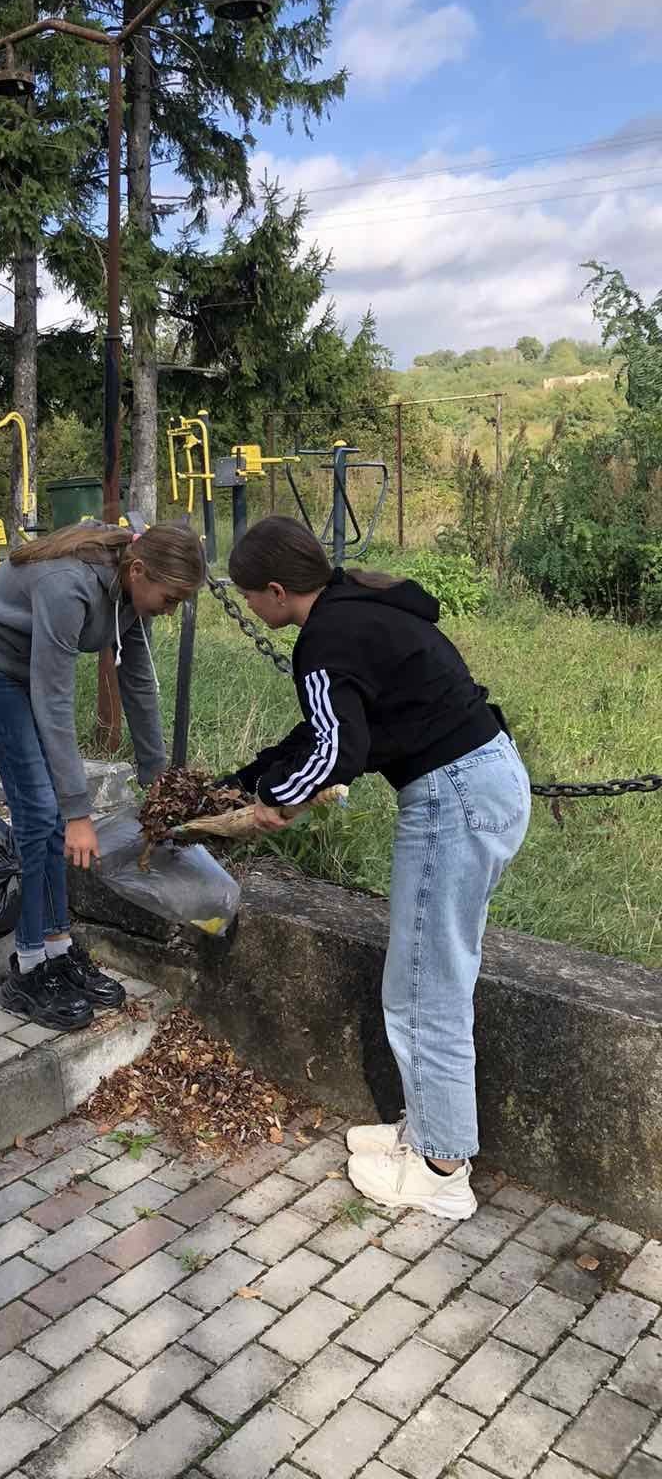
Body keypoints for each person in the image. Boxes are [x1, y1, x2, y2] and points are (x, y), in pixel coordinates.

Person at [221, 516, 530, 1220]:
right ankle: (426, 1132)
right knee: (426, 974)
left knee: (425, 986)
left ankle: (441, 1170)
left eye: (248, 595)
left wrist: (278, 801)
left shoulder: (324, 640)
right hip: (481, 780)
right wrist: (246, 781)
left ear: (276, 591)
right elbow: (323, 731)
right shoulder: (357, 605)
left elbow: (338, 754)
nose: (249, 607)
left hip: (453, 797)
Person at [0, 521, 205, 1029]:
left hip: (35, 668)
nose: (170, 609)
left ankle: (57, 948)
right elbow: (54, 699)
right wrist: (78, 812)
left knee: (48, 814)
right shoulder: (67, 586)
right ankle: (29, 967)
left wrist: (156, 775)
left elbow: (138, 681)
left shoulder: (131, 594)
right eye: (171, 598)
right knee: (39, 812)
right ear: (139, 570)